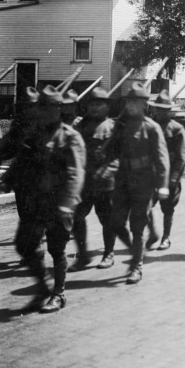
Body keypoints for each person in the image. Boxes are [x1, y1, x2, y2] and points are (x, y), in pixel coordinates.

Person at [15, 85, 85, 313]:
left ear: (59, 109)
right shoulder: (35, 135)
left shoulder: (70, 137)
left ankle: (59, 294)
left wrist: (67, 203)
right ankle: (43, 289)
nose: (45, 111)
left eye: (51, 107)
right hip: (36, 201)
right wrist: (9, 177)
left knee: (57, 249)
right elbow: (22, 161)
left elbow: (76, 173)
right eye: (41, 106)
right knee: (24, 244)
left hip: (59, 202)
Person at [107, 82, 170, 284]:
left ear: (144, 104)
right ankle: (136, 250)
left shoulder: (151, 128)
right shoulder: (121, 126)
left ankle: (136, 266)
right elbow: (110, 150)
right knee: (116, 223)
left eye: (135, 101)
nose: (131, 105)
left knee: (137, 226)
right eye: (128, 101)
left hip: (143, 181)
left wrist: (163, 185)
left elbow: (162, 159)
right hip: (123, 178)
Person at [68, 88, 119, 272]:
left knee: (107, 220)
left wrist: (109, 170)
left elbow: (120, 156)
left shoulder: (113, 127)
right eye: (92, 104)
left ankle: (108, 254)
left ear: (107, 107)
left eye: (99, 104)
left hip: (105, 183)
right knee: (77, 218)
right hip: (83, 183)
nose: (95, 108)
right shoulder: (79, 126)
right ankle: (83, 256)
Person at [0, 88, 42, 266]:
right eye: (24, 107)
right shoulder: (18, 128)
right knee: (25, 213)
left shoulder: (46, 126)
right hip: (23, 179)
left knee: (37, 214)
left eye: (31, 106)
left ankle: (37, 247)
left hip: (43, 178)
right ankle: (33, 248)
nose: (27, 110)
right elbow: (2, 150)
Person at [146, 90, 185, 251]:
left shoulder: (177, 129)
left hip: (169, 176)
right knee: (145, 206)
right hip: (151, 175)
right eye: (158, 108)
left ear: (170, 110)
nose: (160, 112)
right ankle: (152, 233)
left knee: (168, 209)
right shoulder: (149, 126)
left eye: (164, 109)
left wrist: (174, 178)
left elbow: (182, 156)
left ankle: (166, 237)